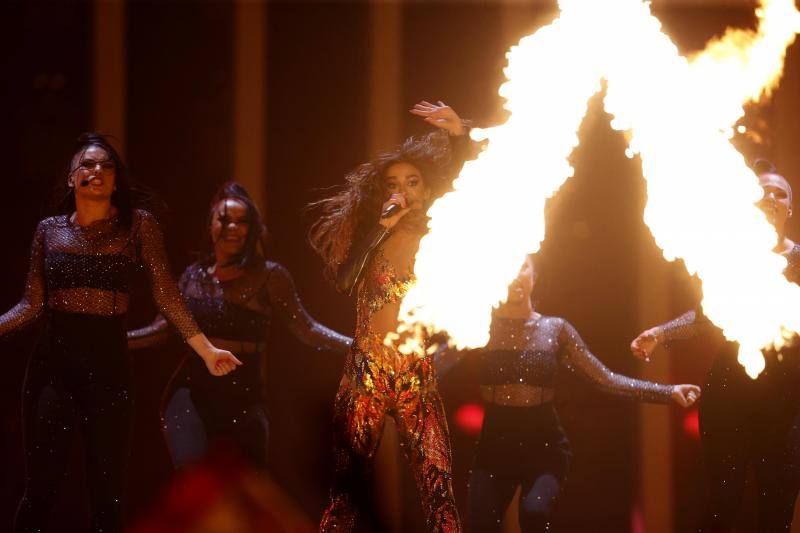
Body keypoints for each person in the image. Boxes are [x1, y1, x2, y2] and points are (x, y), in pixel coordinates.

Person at [3, 133, 240, 533]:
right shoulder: (49, 230)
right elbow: (30, 305)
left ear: (117, 180)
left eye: (106, 166)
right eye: (87, 164)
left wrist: (206, 349)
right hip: (53, 365)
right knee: (40, 488)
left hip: (108, 364)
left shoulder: (138, 226)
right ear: (70, 178)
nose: (96, 172)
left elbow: (167, 295)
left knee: (107, 491)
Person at [437, 255, 700, 532]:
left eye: (523, 266)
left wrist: (668, 392)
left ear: (535, 276)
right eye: (510, 266)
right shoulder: (475, 326)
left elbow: (605, 379)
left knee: (534, 514)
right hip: (494, 449)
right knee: (480, 526)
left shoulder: (555, 329)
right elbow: (432, 367)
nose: (517, 275)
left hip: (543, 449)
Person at [308, 101, 475, 532]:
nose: (403, 190)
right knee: (344, 497)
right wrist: (382, 227)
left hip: (417, 376)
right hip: (365, 373)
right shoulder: (373, 236)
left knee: (439, 494)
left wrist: (458, 135)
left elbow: (472, 187)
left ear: (427, 189)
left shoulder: (446, 230)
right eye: (393, 184)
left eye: (413, 182)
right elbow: (345, 283)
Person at [128, 181, 352, 470]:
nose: (232, 227)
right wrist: (113, 339)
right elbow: (160, 331)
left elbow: (306, 329)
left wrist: (356, 346)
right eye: (224, 220)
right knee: (195, 484)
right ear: (209, 226)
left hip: (243, 395)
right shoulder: (192, 277)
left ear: (251, 230)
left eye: (241, 222)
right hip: (191, 394)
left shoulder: (270, 277)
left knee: (242, 489)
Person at [630, 160, 800, 532]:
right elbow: (707, 315)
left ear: (790, 207)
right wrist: (661, 333)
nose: (770, 198)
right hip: (730, 391)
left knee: (778, 501)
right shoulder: (732, 257)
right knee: (725, 501)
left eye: (779, 194)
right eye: (762, 192)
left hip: (785, 396)